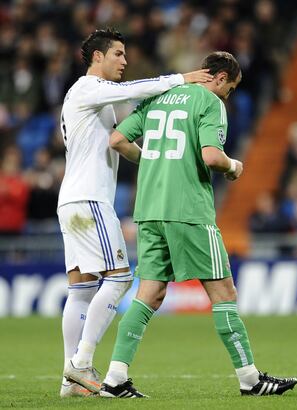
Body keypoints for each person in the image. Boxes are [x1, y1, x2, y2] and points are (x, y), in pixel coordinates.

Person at [98, 51, 297, 398]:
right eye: (230, 89)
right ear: (219, 78)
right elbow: (211, 156)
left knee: (150, 292)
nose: (228, 96)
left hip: (148, 209)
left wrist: (150, 160)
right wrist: (234, 166)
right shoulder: (209, 100)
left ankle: (115, 378)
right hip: (188, 209)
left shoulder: (158, 96)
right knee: (224, 292)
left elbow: (116, 140)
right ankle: (250, 379)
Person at [58, 27, 212, 398]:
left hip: (72, 202)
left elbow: (119, 144)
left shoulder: (91, 99)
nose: (124, 61)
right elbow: (134, 91)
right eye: (118, 54)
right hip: (90, 200)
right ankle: (80, 363)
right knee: (120, 278)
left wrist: (153, 161)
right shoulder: (88, 89)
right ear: (98, 57)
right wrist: (182, 79)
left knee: (81, 289)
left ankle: (70, 381)